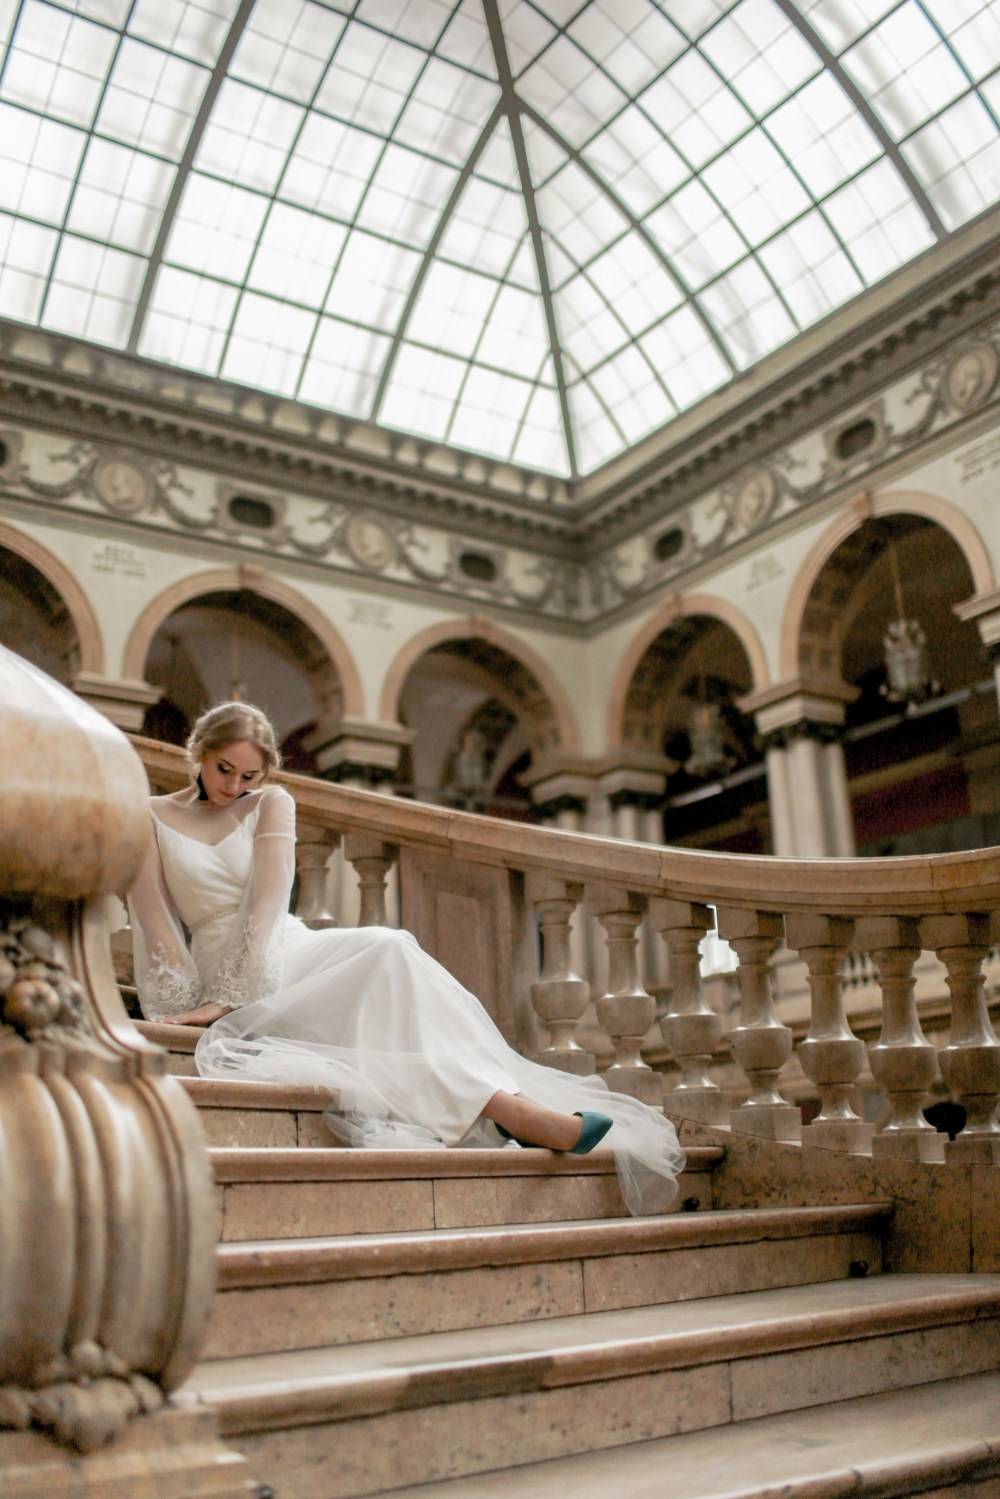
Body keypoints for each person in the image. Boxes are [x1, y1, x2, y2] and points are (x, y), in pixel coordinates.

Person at [127, 702, 686, 1215]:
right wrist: (189, 1003)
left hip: (277, 951)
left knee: (390, 947)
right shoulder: (151, 815)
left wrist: (237, 991)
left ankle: (514, 1109)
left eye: (250, 775)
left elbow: (270, 904)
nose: (235, 786)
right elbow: (152, 917)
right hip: (214, 961)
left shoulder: (273, 803)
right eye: (224, 769)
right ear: (198, 752)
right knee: (384, 969)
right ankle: (518, 1114)